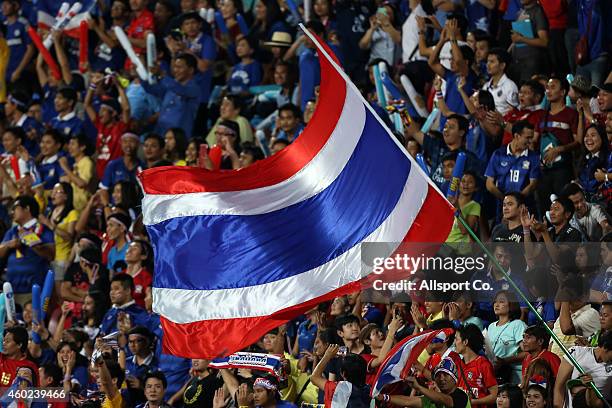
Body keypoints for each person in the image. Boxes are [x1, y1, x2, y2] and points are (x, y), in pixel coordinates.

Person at [0, 195, 54, 305]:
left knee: (35, 321)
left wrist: (29, 239)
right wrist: (9, 245)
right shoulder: (11, 232)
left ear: (27, 209)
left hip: (34, 289)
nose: (12, 212)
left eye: (15, 208)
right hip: (12, 289)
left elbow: (50, 255)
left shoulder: (43, 230)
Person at [144, 53, 200, 138]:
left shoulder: (194, 88)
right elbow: (153, 90)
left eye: (179, 67)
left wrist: (162, 75)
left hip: (178, 137)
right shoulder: (170, 85)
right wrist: (141, 75)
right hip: (161, 132)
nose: (175, 70)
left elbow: (180, 90)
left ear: (190, 70)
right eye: (175, 67)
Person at [85, 78, 131, 180]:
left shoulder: (120, 128)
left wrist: (120, 88)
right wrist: (92, 85)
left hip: (115, 175)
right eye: (100, 110)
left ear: (113, 113)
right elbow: (87, 105)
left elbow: (126, 109)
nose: (100, 113)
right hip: (100, 173)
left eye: (103, 110)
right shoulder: (100, 126)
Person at [379, 357, 470, 408]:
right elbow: (408, 401)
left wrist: (419, 387)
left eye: (446, 375)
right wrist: (383, 397)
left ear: (454, 379)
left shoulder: (461, 396)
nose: (441, 378)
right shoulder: (432, 399)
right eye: (438, 375)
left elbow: (445, 400)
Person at [485, 120, 540, 204]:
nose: (530, 141)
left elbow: (533, 184)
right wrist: (505, 200)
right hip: (502, 205)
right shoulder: (498, 154)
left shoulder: (534, 157)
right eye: (527, 138)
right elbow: (489, 184)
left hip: (524, 205)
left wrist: (516, 201)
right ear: (517, 136)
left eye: (531, 138)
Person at [553, 331, 612, 408]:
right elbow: (559, 386)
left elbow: (598, 404)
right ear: (605, 347)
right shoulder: (577, 352)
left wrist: (590, 387)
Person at [38, 182, 78, 280]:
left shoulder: (72, 213)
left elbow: (69, 237)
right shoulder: (51, 212)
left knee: (60, 291)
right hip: (49, 256)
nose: (53, 194)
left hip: (62, 258)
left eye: (58, 192)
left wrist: (49, 224)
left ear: (66, 196)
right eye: (53, 191)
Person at [486, 290, 527, 385]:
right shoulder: (491, 326)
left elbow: (527, 353)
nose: (496, 305)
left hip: (514, 376)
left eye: (501, 301)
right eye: (495, 302)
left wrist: (505, 361)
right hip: (495, 375)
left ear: (511, 305)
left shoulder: (517, 324)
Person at [454, 324, 497, 406]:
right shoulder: (457, 364)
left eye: (456, 339)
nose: (454, 343)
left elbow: (494, 396)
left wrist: (472, 402)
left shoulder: (483, 365)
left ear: (465, 342)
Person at [59, 134, 94, 211]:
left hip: (83, 208)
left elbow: (82, 183)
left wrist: (65, 167)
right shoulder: (75, 164)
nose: (69, 147)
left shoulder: (87, 162)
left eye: (73, 144)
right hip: (74, 207)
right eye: (69, 144)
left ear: (82, 147)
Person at [482, 48, 518, 115]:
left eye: (492, 62)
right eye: (487, 61)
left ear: (502, 65)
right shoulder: (485, 86)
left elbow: (513, 113)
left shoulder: (510, 86)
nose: (488, 64)